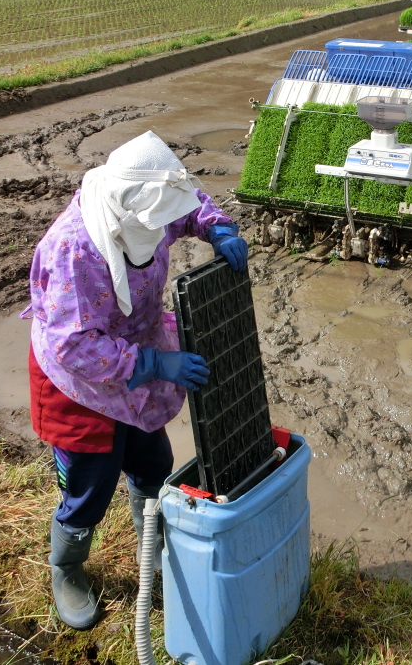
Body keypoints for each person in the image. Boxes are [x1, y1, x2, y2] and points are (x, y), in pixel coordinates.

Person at [21, 130, 248, 630]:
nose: (165, 227)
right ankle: (67, 567)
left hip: (135, 351)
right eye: (157, 221)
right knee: (89, 483)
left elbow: (185, 205)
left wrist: (218, 228)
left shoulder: (145, 203)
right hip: (79, 381)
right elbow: (72, 345)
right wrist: (154, 364)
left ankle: (153, 546)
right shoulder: (75, 248)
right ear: (128, 211)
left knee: (153, 461)